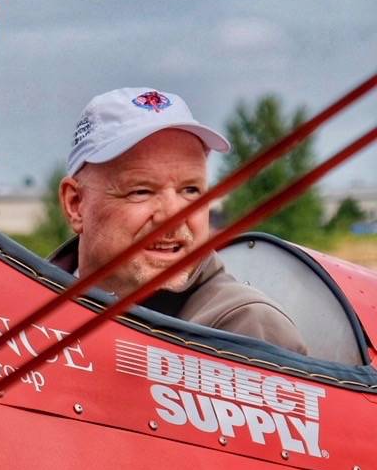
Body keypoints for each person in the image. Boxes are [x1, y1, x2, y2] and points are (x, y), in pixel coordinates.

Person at [51, 87, 307, 354]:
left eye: (190, 191)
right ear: (75, 205)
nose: (174, 218)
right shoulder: (27, 305)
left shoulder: (244, 328)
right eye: (142, 191)